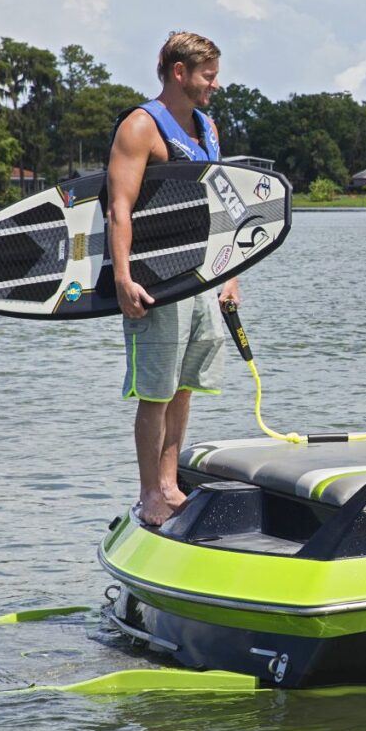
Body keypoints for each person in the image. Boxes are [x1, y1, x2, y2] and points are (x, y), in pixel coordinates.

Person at [108, 31, 236, 525]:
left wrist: (230, 274)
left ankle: (169, 482)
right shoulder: (140, 127)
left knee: (184, 387)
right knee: (156, 391)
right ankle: (149, 495)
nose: (216, 84)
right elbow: (119, 208)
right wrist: (123, 279)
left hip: (201, 276)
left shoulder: (207, 127)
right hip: (154, 279)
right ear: (179, 73)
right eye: (208, 75)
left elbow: (220, 203)